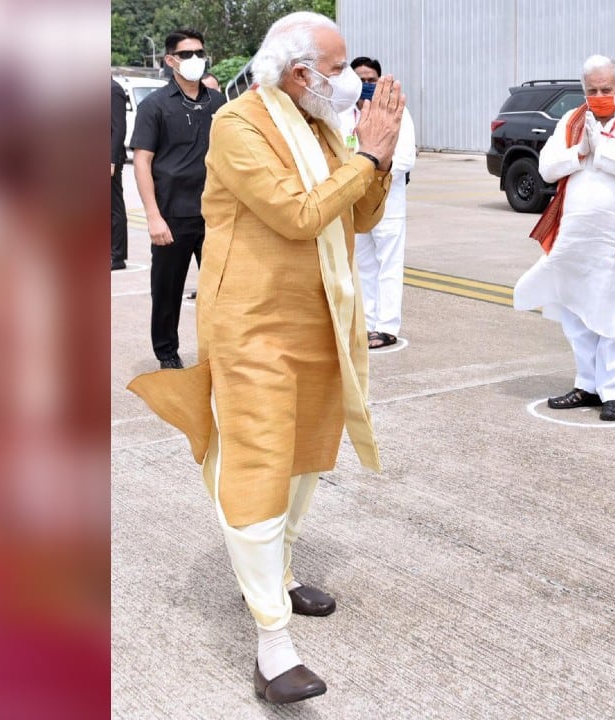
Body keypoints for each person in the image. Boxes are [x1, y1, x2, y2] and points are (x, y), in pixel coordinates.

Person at [127, 11, 403, 705]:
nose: (348, 85)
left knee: (306, 455)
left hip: (319, 320)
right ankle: (273, 646)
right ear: (301, 70)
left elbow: (357, 217)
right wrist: (366, 155)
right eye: (337, 71)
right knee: (257, 464)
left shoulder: (315, 124)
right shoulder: (239, 123)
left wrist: (380, 155)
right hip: (252, 326)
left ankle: (278, 572)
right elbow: (299, 214)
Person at [512, 55, 615, 422]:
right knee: (576, 311)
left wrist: (604, 151)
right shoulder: (571, 120)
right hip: (575, 239)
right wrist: (579, 151)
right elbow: (547, 167)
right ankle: (587, 384)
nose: (598, 95)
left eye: (605, 89)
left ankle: (613, 391)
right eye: (591, 89)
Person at [130, 29, 226, 369]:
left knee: (222, 291)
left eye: (200, 52)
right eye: (187, 54)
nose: (195, 60)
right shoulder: (154, 106)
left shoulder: (217, 102)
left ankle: (222, 351)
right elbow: (142, 161)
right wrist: (154, 217)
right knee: (168, 291)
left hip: (215, 215)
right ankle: (167, 353)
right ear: (170, 60)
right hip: (172, 215)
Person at [341, 56, 416, 348]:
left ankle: (387, 326)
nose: (366, 85)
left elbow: (405, 159)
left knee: (388, 265)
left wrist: (367, 174)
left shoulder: (397, 113)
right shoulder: (344, 114)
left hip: (387, 201)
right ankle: (368, 323)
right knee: (363, 266)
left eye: (371, 79)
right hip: (355, 202)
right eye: (360, 79)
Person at [111, 78, 128, 271]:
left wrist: (112, 160)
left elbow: (118, 129)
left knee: (113, 207)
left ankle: (117, 256)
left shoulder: (113, 90)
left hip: (109, 158)